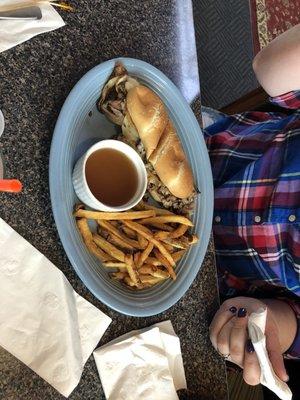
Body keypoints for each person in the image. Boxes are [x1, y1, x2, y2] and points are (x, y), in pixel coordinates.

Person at [206, 24, 300, 388]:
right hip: (196, 152)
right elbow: (270, 67)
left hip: (199, 279)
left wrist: (269, 323)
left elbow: (292, 322)